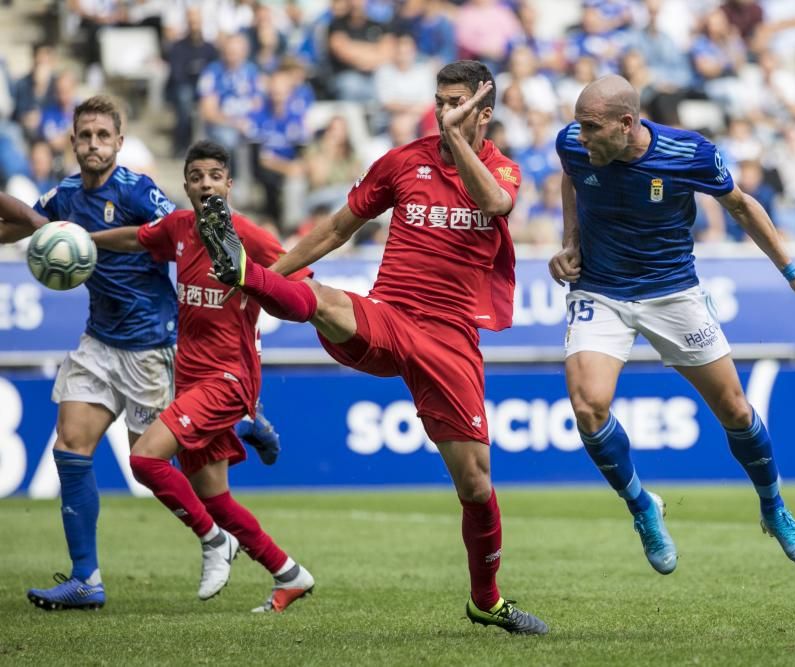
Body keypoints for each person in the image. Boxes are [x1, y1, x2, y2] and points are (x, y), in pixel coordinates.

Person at [196, 60, 548, 635]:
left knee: (477, 485)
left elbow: (497, 207)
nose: (443, 110)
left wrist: (458, 141)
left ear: (484, 112)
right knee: (328, 301)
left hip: (451, 339)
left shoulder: (502, 169)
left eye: (456, 102)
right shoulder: (402, 162)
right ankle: (247, 278)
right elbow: (337, 229)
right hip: (390, 315)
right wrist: (266, 280)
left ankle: (486, 600)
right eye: (439, 100)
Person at [548, 76, 795, 575]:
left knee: (734, 408)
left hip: (673, 292)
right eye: (578, 127)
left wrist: (793, 274)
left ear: (627, 124)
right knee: (588, 408)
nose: (580, 137)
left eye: (591, 128)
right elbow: (570, 175)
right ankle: (643, 506)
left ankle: (774, 507)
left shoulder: (688, 152)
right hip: (600, 290)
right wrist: (570, 241)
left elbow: (742, 205)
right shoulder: (573, 144)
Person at [0, 96, 276, 612]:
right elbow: (27, 224)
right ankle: (86, 578)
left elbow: (181, 237)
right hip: (99, 342)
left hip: (153, 347)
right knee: (70, 447)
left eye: (104, 136)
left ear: (120, 143)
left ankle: (240, 430)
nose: (93, 145)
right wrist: (50, 233)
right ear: (73, 141)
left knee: (163, 467)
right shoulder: (63, 195)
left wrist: (86, 240)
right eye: (85, 136)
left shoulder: (140, 191)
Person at [89, 140, 314, 612]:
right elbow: (137, 238)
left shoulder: (249, 236)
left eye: (215, 175)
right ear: (187, 184)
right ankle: (289, 574)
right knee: (215, 498)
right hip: (189, 377)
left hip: (229, 379)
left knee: (145, 460)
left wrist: (260, 286)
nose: (206, 183)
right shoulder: (179, 228)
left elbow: (301, 280)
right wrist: (85, 241)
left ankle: (214, 542)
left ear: (229, 184)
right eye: (196, 176)